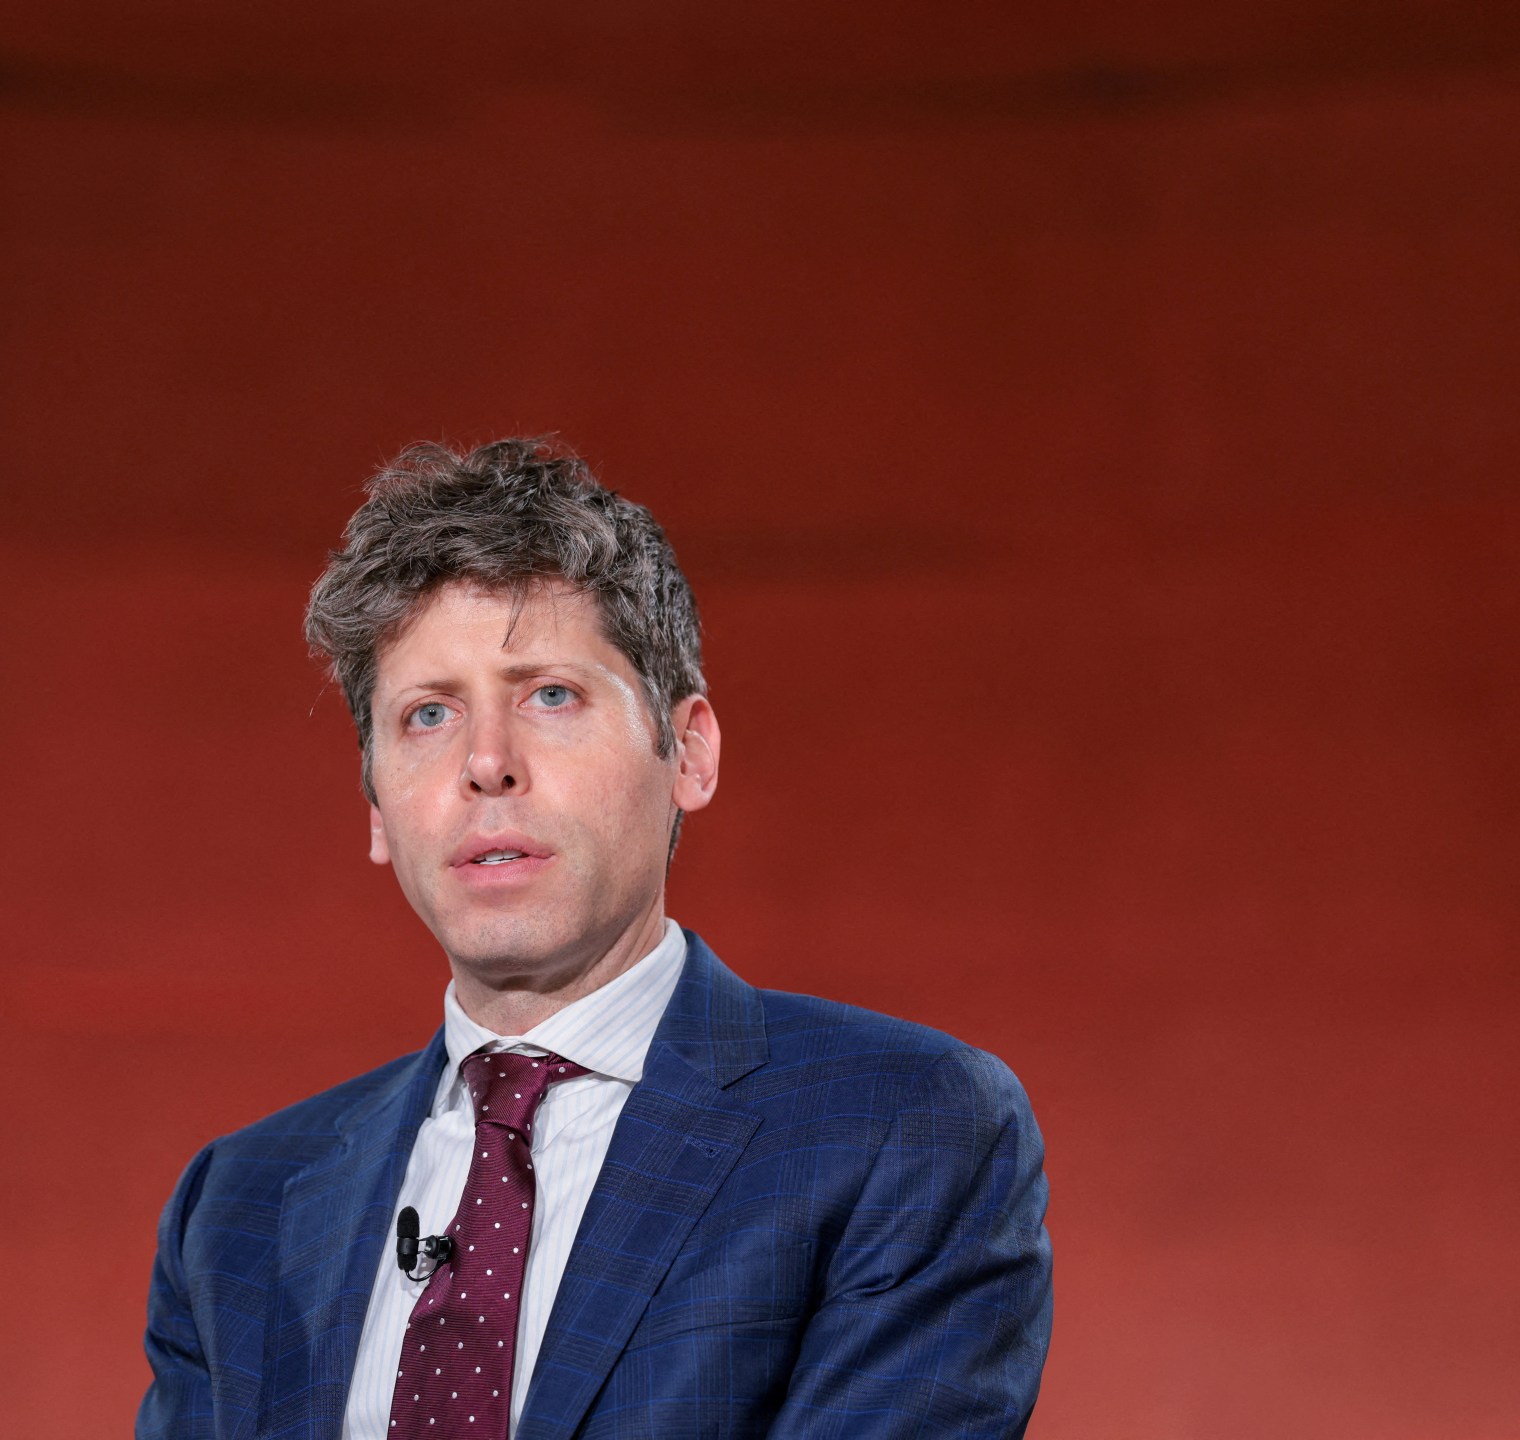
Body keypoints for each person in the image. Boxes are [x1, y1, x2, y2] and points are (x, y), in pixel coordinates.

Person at [136, 438, 1052, 1440]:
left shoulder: (901, 1129)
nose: (486, 763)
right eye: (428, 714)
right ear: (376, 809)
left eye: (550, 695)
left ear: (688, 753)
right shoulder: (237, 1208)